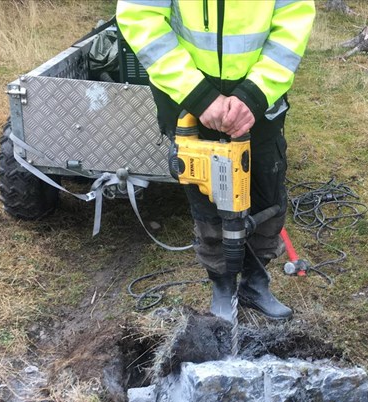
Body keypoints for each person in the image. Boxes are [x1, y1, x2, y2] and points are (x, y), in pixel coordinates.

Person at [117, 0, 316, 322]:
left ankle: (254, 282)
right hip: (187, 101)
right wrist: (198, 96)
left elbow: (293, 23)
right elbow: (141, 18)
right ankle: (222, 286)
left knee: (267, 196)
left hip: (260, 104)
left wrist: (255, 94)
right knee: (209, 203)